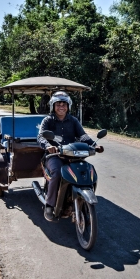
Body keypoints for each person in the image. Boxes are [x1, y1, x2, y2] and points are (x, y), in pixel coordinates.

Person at [37, 91, 104, 221]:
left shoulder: (73, 120)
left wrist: (94, 145)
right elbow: (40, 137)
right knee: (57, 173)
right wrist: (48, 146)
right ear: (53, 106)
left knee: (87, 170)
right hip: (54, 155)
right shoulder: (48, 120)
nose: (61, 107)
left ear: (68, 106)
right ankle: (50, 205)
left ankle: (83, 200)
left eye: (64, 104)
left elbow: (83, 136)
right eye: (58, 104)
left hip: (72, 155)